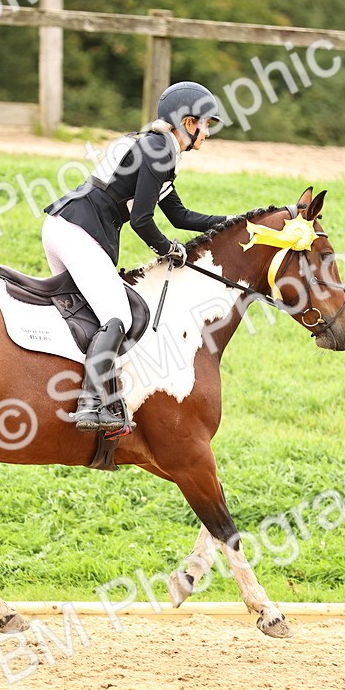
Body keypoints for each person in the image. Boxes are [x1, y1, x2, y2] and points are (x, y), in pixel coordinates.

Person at [43, 81, 229, 434]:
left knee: (89, 316)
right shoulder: (159, 149)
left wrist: (234, 222)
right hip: (77, 231)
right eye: (206, 124)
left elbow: (179, 216)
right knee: (118, 314)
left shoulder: (156, 147)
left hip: (67, 227)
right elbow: (142, 220)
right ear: (188, 123)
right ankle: (91, 404)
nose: (207, 133)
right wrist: (167, 249)